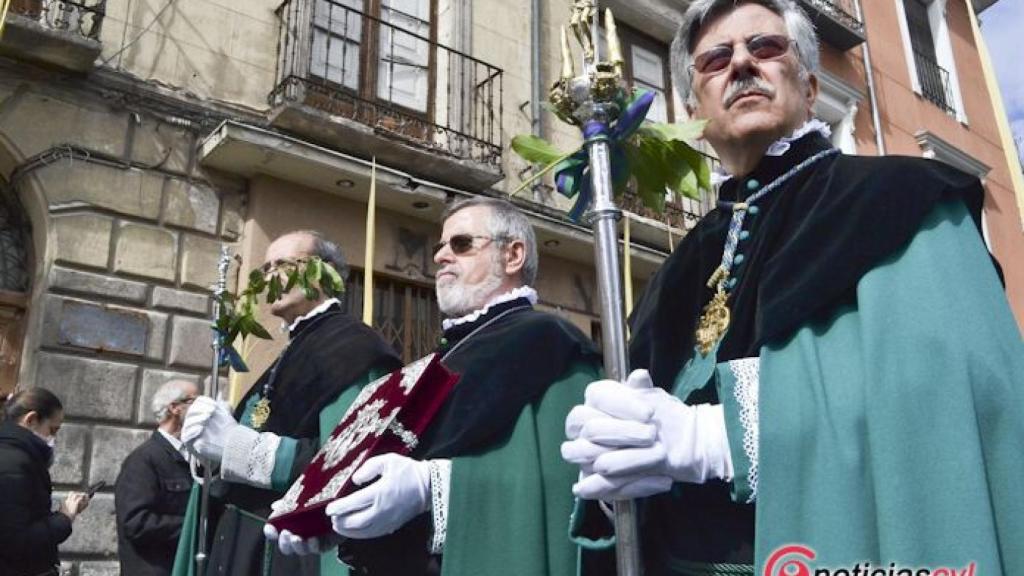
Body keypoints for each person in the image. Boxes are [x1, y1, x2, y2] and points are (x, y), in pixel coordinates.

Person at [561, 1, 1024, 575]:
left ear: (808, 86)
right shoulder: (681, 267)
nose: (741, 66)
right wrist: (614, 471)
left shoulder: (906, 199)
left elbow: (950, 399)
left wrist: (721, 435)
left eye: (766, 48)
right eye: (715, 59)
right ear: (692, 108)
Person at [267, 197, 603, 576]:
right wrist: (328, 515)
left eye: (461, 244)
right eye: (439, 246)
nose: (442, 256)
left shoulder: (551, 344)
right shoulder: (442, 358)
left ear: (513, 255)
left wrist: (434, 488)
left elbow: (565, 486)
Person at [174, 230, 402, 576]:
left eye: (283, 265)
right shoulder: (293, 348)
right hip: (240, 540)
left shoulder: (351, 347)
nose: (270, 278)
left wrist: (236, 446)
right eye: (266, 268)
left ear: (323, 272)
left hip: (288, 552)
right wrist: (209, 446)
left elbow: (346, 461)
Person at [0, 388, 90, 576]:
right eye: (52, 430)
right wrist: (64, 517)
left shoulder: (18, 457)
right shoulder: (15, 464)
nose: (53, 439)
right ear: (31, 420)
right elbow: (18, 542)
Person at [115, 379, 200, 576]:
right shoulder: (143, 460)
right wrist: (191, 528)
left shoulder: (192, 459)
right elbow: (136, 523)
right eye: (196, 402)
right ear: (175, 408)